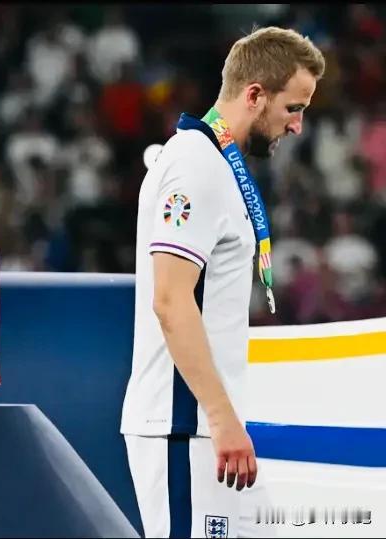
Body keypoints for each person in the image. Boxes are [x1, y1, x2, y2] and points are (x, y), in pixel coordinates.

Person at [120, 27, 325, 538]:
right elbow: (171, 300)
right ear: (254, 94)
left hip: (204, 427)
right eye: (293, 108)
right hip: (183, 424)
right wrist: (220, 418)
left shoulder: (212, 163)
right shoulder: (195, 166)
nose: (297, 125)